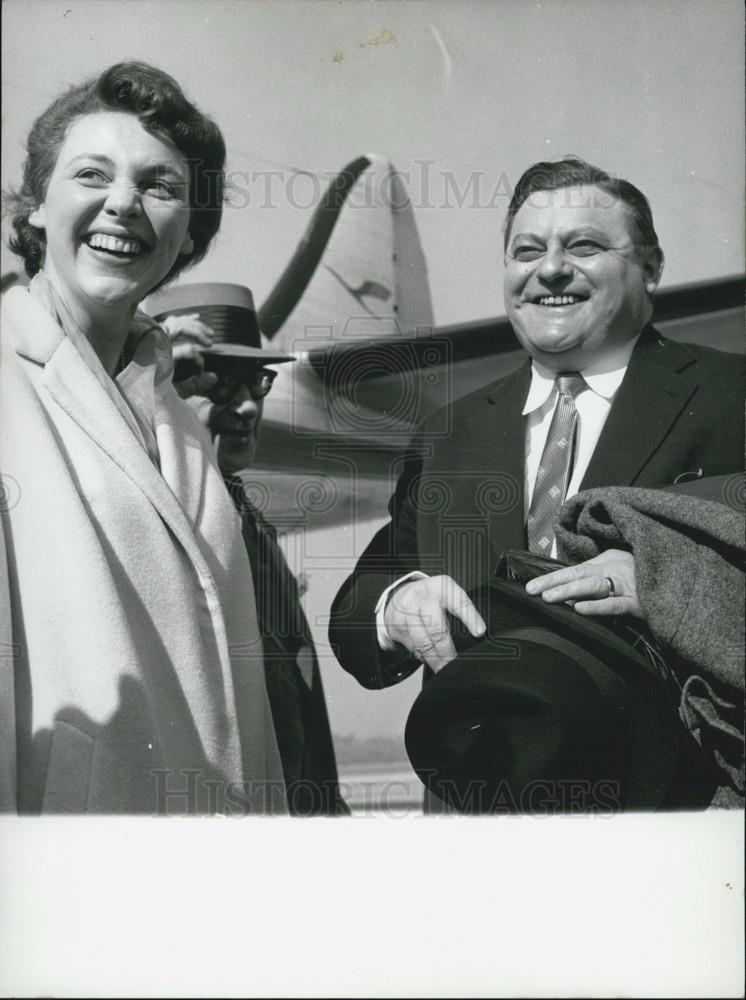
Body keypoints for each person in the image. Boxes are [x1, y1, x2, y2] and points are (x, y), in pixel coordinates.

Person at [328, 157, 744, 806]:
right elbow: (360, 599)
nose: (550, 269)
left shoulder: (731, 397)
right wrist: (396, 604)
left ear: (652, 268)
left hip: (677, 825)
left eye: (583, 245)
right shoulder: (450, 431)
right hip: (479, 829)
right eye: (527, 251)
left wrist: (674, 579)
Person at [0, 63, 285, 814]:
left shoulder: (176, 413)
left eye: (160, 186)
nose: (122, 203)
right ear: (33, 208)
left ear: (189, 236)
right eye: (91, 173)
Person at [147, 282, 350, 816]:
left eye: (256, 383)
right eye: (219, 385)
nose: (246, 406)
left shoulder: (245, 517)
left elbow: (295, 691)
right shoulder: (152, 525)